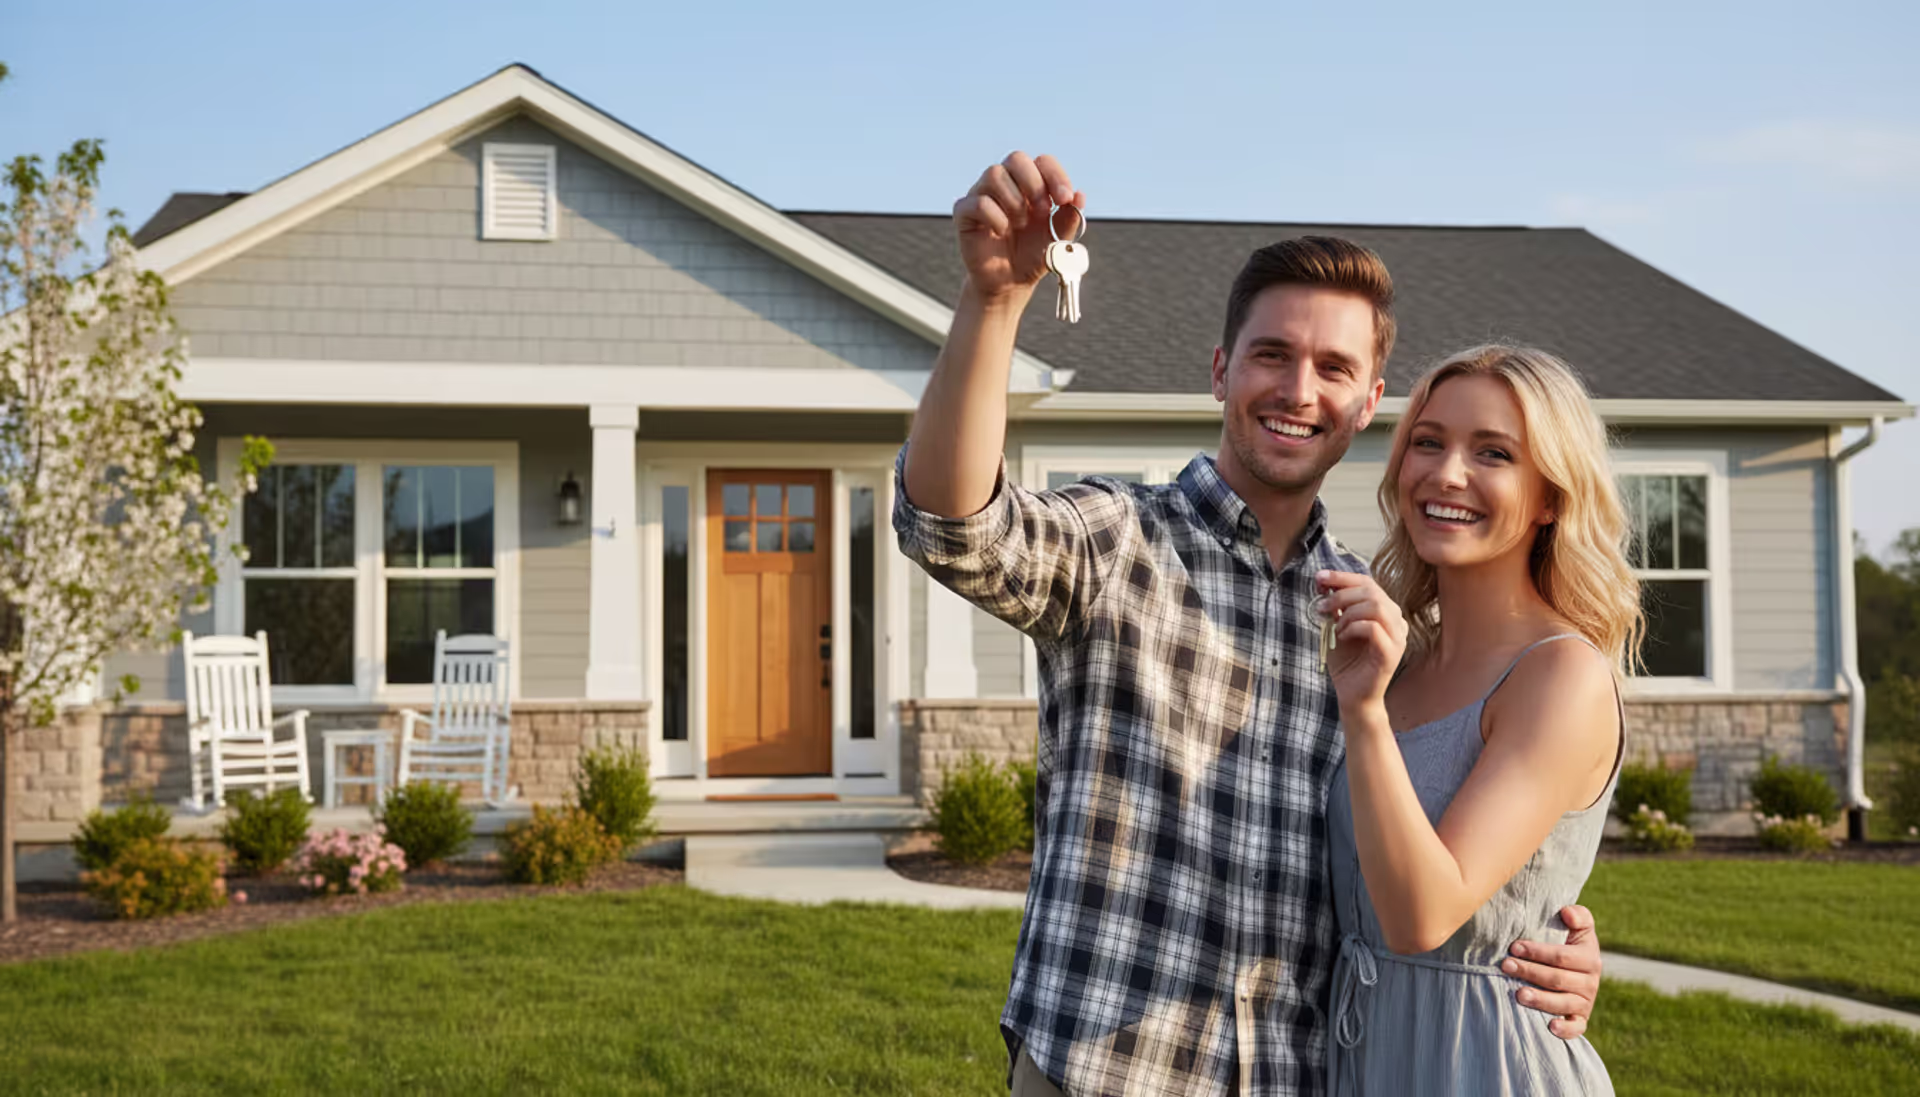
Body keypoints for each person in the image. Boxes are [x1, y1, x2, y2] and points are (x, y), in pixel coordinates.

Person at [893, 152, 1605, 1097]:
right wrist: (994, 303)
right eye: (1273, 354)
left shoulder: (1370, 622)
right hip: (1100, 1070)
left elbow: (1435, 843)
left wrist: (1551, 936)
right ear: (1223, 369)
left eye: (1334, 368)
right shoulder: (1118, 541)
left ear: (1368, 403)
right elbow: (956, 525)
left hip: (1295, 1073)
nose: (1299, 389)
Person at [1315, 345, 1636, 1095]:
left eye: (1493, 452)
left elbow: (1424, 914)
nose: (1446, 472)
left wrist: (1362, 710)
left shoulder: (1561, 676)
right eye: (1428, 441)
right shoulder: (1398, 654)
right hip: (1363, 1052)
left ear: (1551, 495)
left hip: (1484, 1062)